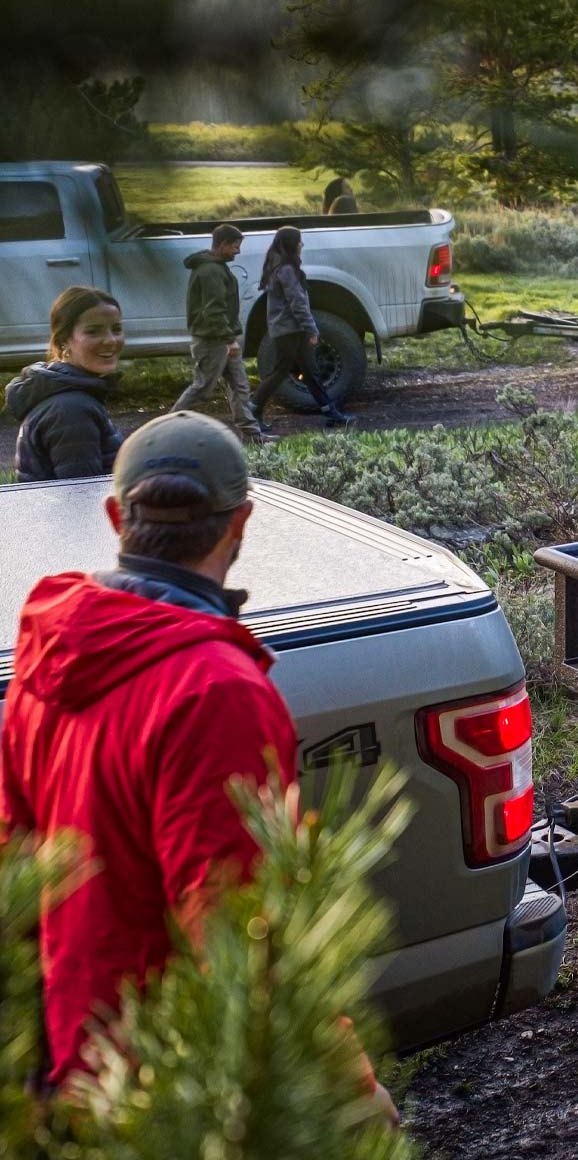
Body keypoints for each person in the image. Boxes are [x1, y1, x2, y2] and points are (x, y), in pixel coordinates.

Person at [0, 412, 395, 1119]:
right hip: (176, 1086)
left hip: (71, 1066)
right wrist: (351, 1087)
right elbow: (237, 931)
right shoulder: (216, 691)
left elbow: (14, 871)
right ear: (240, 522)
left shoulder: (45, 656)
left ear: (116, 516)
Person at [5, 287, 125, 481]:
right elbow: (83, 493)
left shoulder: (71, 395)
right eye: (93, 331)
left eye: (116, 329)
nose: (111, 340)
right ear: (63, 342)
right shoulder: (71, 409)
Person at [247, 226, 353, 430]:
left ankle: (331, 412)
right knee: (280, 372)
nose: (301, 245)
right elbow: (298, 303)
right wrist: (312, 329)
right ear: (291, 244)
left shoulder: (277, 265)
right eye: (299, 241)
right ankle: (253, 410)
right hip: (290, 330)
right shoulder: (287, 269)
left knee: (310, 371)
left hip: (288, 329)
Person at [173, 223, 268, 443]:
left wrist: (229, 338)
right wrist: (229, 340)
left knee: (239, 386)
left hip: (222, 337)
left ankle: (252, 437)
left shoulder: (216, 267)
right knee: (202, 387)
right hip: (212, 340)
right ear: (223, 244)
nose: (238, 251)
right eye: (235, 246)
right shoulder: (211, 271)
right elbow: (214, 310)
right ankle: (165, 429)